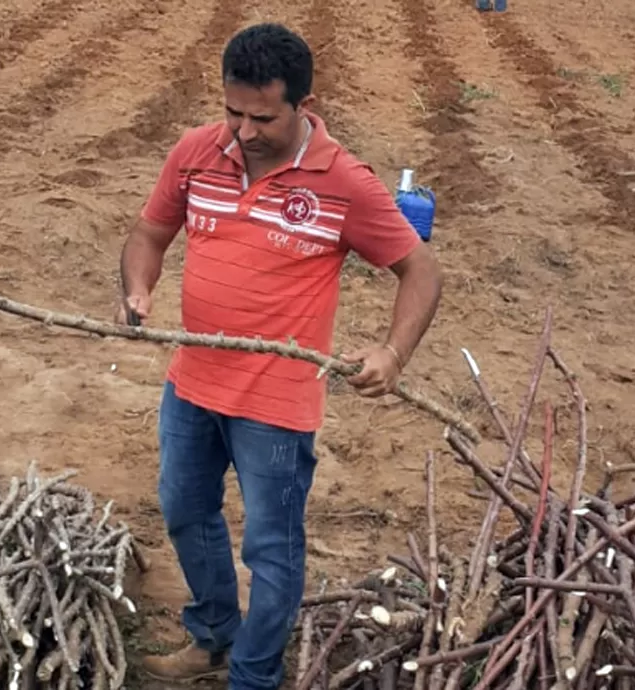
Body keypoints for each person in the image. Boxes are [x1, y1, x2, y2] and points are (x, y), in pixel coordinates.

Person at [114, 22, 443, 690]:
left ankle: (255, 676)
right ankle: (212, 636)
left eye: (262, 117)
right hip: (193, 381)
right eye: (232, 111)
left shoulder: (343, 181)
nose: (242, 130)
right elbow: (148, 233)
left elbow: (421, 271)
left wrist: (393, 352)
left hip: (275, 404)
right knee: (183, 508)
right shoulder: (196, 151)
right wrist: (137, 290)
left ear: (302, 105)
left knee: (270, 548)